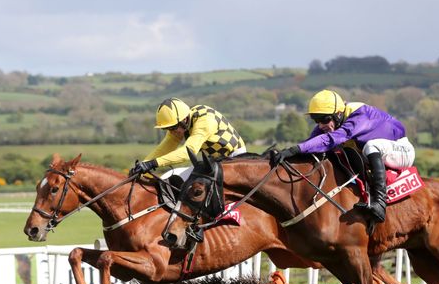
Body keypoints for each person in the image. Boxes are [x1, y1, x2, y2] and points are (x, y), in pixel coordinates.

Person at [273, 90, 415, 225]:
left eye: (324, 119)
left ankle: (380, 204)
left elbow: (331, 140)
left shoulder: (360, 116)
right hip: (379, 153)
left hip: (402, 150)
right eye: (316, 120)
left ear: (339, 114)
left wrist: (294, 150)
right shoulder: (332, 120)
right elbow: (310, 144)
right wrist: (287, 154)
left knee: (371, 146)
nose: (321, 125)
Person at [129, 97, 247, 242]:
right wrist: (142, 166)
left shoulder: (204, 121)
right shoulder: (181, 124)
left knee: (195, 188)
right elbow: (165, 148)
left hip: (234, 160)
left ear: (185, 120)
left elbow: (187, 152)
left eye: (172, 128)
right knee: (169, 177)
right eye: (167, 128)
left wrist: (153, 164)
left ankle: (205, 226)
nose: (171, 131)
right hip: (212, 163)